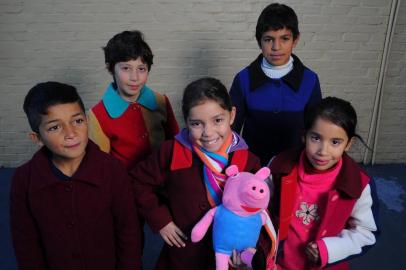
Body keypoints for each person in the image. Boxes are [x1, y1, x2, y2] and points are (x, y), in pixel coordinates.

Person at [129, 77, 261, 269]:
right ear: (186, 122)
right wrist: (161, 220)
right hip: (183, 256)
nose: (208, 132)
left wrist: (248, 252)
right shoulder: (172, 151)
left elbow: (261, 213)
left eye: (217, 120)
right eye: (197, 124)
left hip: (227, 259)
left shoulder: (249, 162)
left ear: (232, 115)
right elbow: (137, 181)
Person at [10, 82, 141, 270]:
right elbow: (26, 243)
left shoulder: (113, 170)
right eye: (55, 127)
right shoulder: (23, 180)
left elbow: (128, 232)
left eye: (77, 121)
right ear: (37, 138)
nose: (71, 133)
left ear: (87, 120)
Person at [262, 97, 380, 269]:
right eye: (316, 138)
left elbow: (366, 232)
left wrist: (330, 249)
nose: (323, 151)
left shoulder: (359, 183)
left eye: (335, 142)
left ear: (348, 144)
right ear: (304, 135)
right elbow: (258, 210)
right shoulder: (279, 166)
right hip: (278, 264)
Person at [230, 3, 322, 166]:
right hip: (253, 166)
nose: (276, 47)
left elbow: (315, 130)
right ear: (259, 41)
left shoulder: (310, 80)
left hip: (295, 166)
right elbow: (231, 130)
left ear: (295, 39)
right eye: (268, 39)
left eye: (284, 39)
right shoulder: (243, 79)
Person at [88, 30, 179, 169]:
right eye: (126, 68)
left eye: (141, 69)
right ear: (110, 69)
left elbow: (176, 145)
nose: (134, 78)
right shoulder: (97, 115)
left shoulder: (161, 101)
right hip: (126, 185)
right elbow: (103, 167)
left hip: (164, 180)